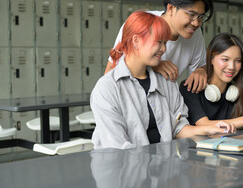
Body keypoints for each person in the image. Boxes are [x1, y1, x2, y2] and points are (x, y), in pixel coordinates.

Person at [91, 12, 234, 150]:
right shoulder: (107, 89)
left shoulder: (166, 81)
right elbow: (118, 148)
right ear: (136, 41)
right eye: (159, 42)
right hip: (125, 171)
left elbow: (178, 128)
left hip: (163, 168)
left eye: (165, 43)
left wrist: (209, 129)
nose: (164, 49)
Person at [105, 0, 214, 93]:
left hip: (164, 101)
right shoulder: (141, 23)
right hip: (131, 96)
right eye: (191, 14)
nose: (196, 23)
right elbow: (111, 72)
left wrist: (202, 70)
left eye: (201, 17)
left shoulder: (195, 34)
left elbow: (201, 65)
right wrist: (151, 65)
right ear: (171, 8)